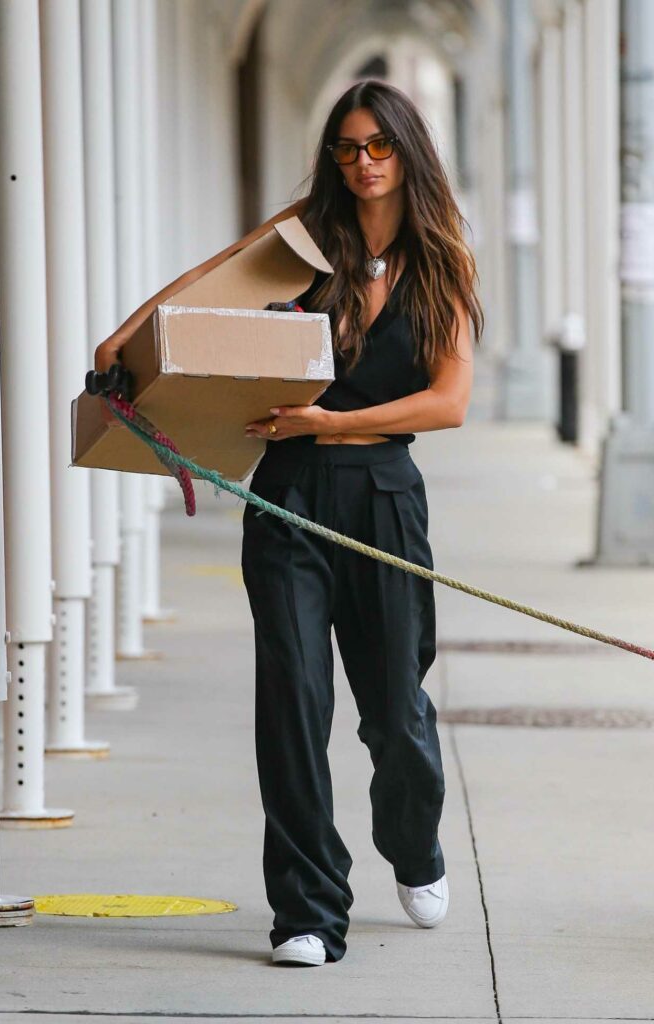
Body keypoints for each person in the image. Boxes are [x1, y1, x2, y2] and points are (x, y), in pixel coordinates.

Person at [240, 79, 483, 967]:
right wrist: (126, 337)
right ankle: (308, 910)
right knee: (293, 704)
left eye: (379, 146)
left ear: (407, 151)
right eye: (346, 148)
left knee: (395, 713)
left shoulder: (442, 262)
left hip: (383, 494)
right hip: (288, 496)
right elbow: (211, 278)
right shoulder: (305, 247)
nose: (363, 163)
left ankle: (414, 846)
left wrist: (334, 423)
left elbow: (449, 402)